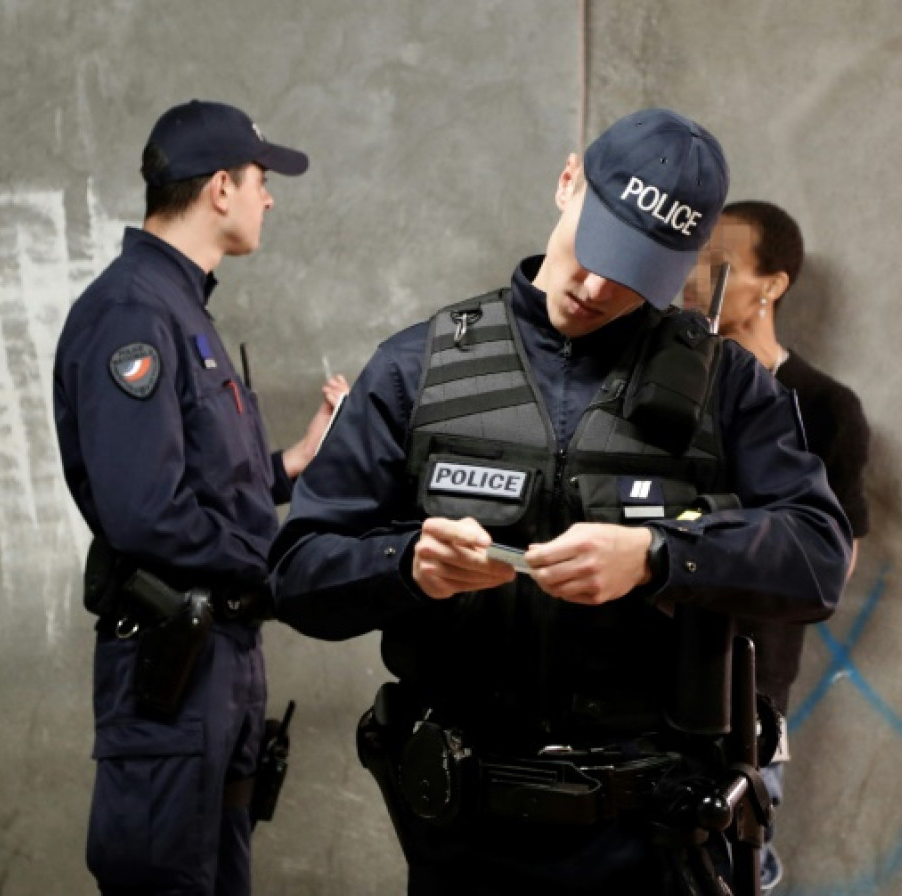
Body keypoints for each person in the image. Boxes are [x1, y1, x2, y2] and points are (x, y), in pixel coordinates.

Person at [268, 108, 853, 895]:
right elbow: (300, 573)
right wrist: (409, 565)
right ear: (568, 181)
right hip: (461, 832)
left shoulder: (728, 387)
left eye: (637, 271)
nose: (599, 286)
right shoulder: (421, 370)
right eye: (597, 246)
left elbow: (818, 556)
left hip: (646, 840)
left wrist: (659, 558)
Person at [53, 99, 349, 896]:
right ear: (221, 187)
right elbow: (146, 513)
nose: (269, 197)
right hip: (175, 666)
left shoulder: (183, 310)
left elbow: (211, 489)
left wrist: (295, 462)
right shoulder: (134, 315)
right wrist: (281, 568)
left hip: (218, 660)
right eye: (260, 179)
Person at [684, 200, 870, 893]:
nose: (696, 278)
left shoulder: (823, 408)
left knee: (734, 870)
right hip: (641, 686)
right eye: (694, 260)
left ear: (773, 285)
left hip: (747, 697)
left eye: (720, 265)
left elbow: (826, 572)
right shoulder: (665, 393)